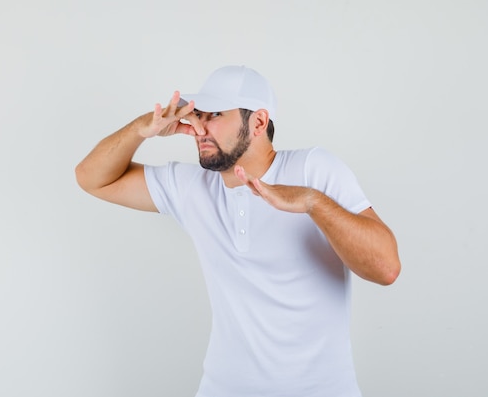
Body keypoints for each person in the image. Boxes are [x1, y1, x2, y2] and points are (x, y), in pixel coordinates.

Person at [75, 65, 401, 397]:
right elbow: (92, 178)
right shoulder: (192, 187)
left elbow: (386, 268)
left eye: (215, 114)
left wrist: (311, 201)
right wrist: (140, 130)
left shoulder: (312, 169)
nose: (199, 127)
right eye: (198, 115)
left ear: (258, 122)